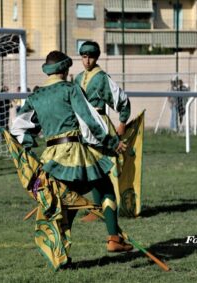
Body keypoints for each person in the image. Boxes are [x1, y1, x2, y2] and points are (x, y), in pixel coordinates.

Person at [10, 51, 133, 261]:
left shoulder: (35, 96)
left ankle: (60, 253)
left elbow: (18, 128)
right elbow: (89, 121)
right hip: (76, 153)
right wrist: (111, 142)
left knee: (67, 204)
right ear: (65, 69)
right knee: (105, 188)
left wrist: (30, 146)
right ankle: (114, 238)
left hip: (51, 158)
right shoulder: (70, 89)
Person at [74, 41, 131, 222]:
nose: (87, 60)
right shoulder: (77, 78)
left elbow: (122, 100)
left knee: (98, 170)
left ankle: (101, 210)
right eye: (84, 56)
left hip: (98, 128)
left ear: (96, 57)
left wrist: (122, 123)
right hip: (82, 129)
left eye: (90, 56)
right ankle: (97, 209)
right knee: (91, 169)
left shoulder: (102, 78)